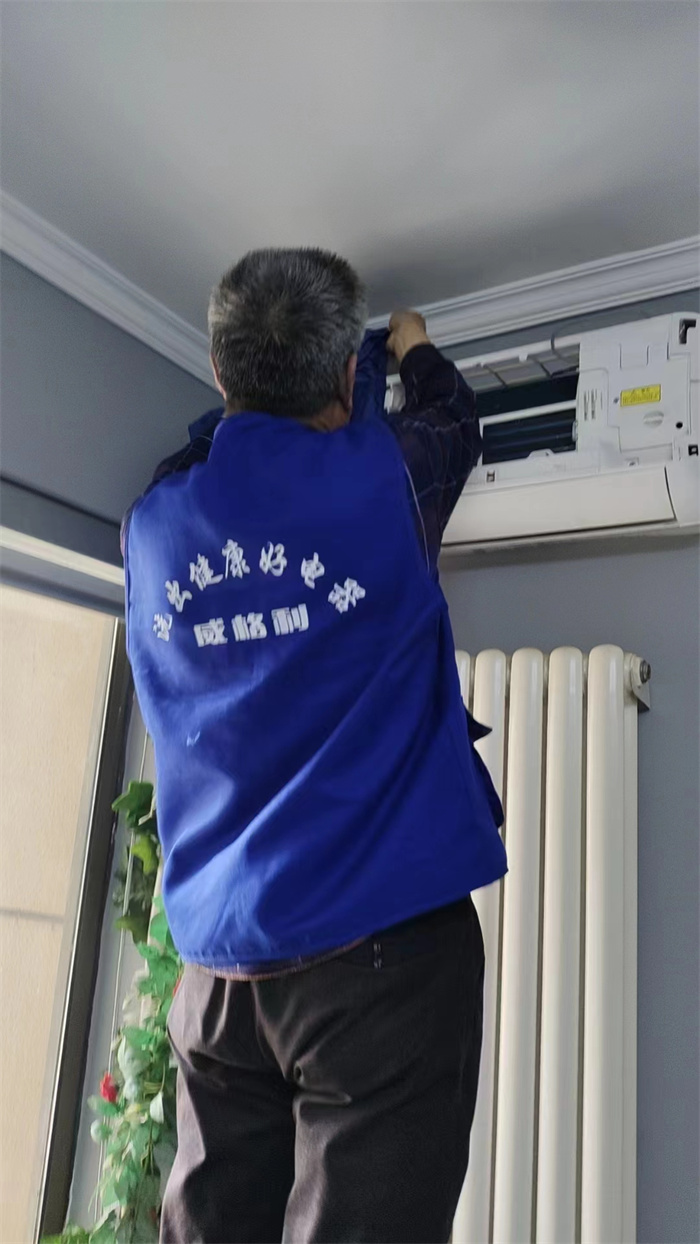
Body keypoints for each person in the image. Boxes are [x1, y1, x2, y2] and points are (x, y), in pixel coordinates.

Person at [122, 248, 507, 1244]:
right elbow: (453, 418)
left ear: (219, 370)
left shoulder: (151, 524)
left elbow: (210, 449)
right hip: (376, 956)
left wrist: (306, 388)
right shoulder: (388, 475)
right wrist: (409, 347)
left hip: (217, 974)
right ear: (344, 374)